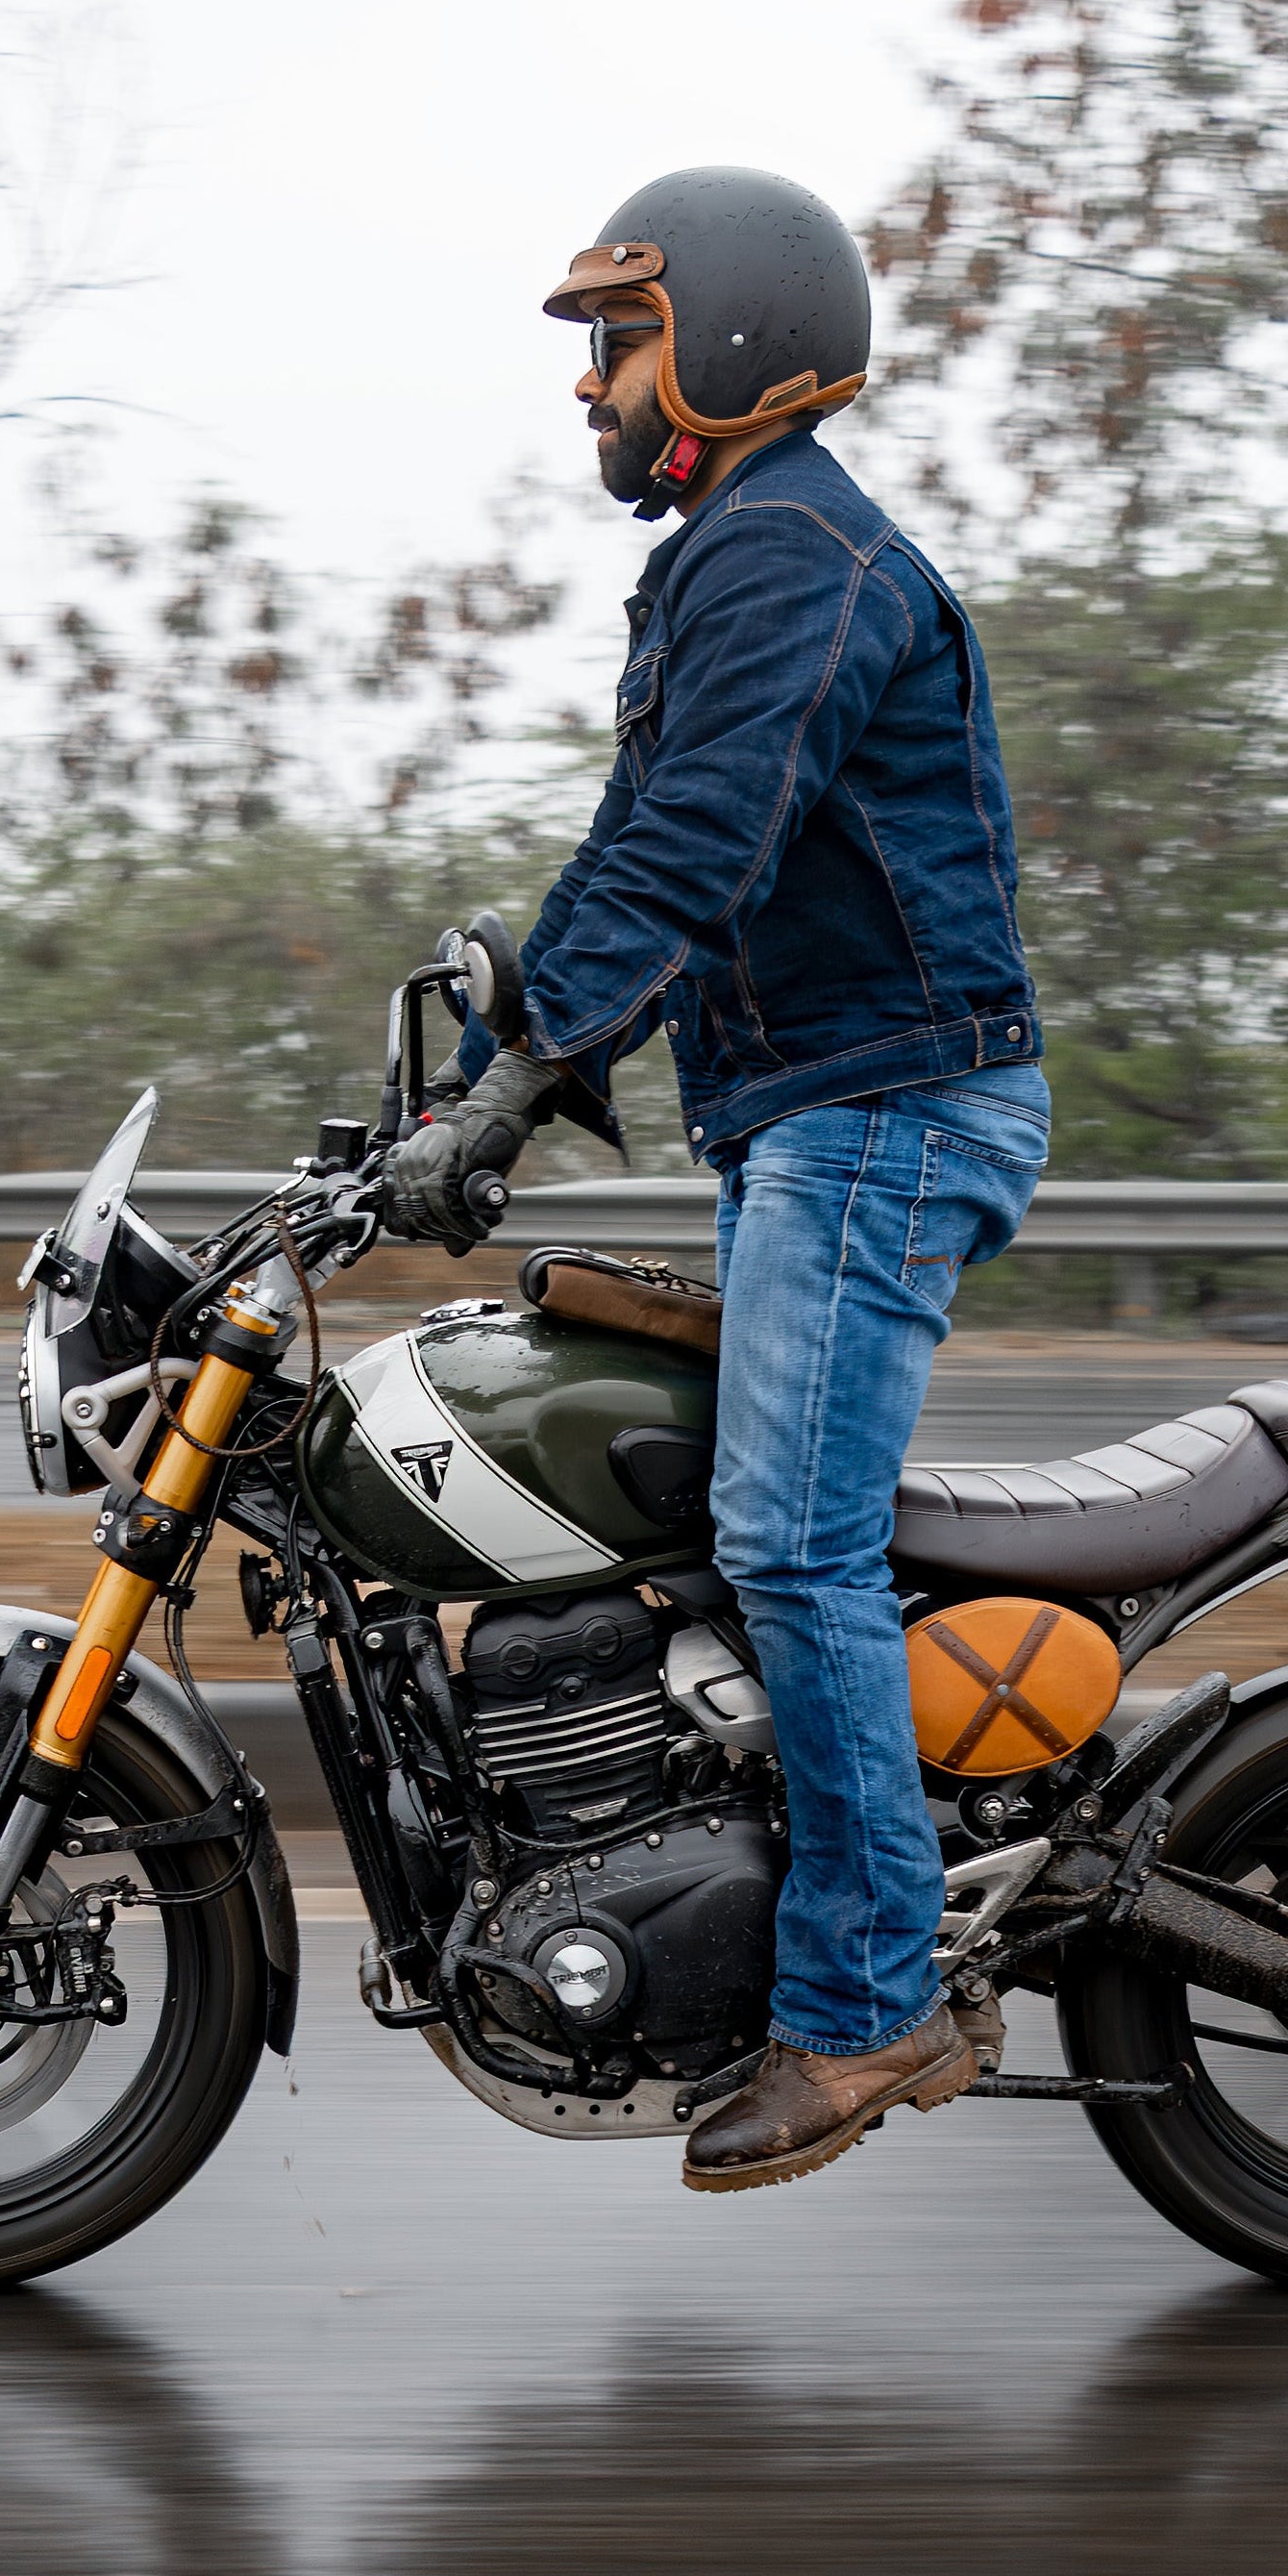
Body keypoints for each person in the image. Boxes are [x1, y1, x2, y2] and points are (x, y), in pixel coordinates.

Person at [381, 165, 1047, 2190]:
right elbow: (637, 845)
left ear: (738, 342)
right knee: (709, 1511)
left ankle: (863, 2000)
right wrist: (499, 1069)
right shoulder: (731, 561)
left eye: (623, 338)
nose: (593, 383)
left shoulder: (794, 557)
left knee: (790, 1540)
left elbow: (701, 845)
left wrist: (520, 1090)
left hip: (885, 1110)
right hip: (811, 1112)